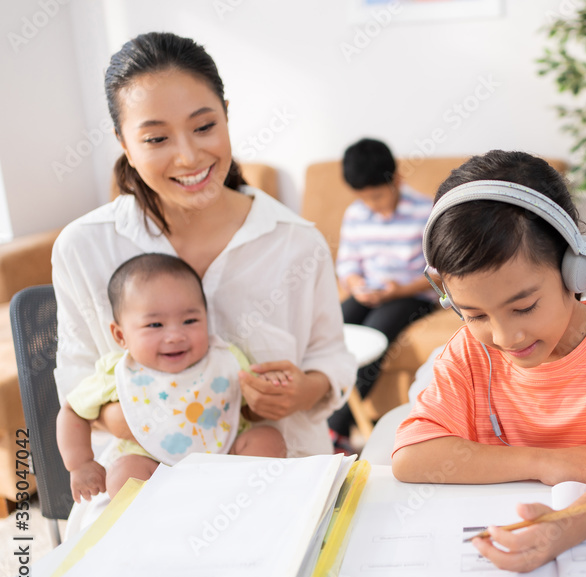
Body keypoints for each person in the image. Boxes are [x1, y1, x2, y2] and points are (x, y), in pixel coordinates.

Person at [53, 32, 355, 469]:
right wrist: (141, 419)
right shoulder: (84, 247)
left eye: (204, 126)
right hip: (142, 481)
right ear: (124, 144)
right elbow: (78, 376)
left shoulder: (296, 242)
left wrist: (302, 391)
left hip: (280, 472)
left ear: (227, 116)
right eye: (157, 139)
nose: (189, 156)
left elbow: (331, 356)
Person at [391, 150, 586, 572]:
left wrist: (562, 530)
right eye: (475, 315)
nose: (504, 337)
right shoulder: (470, 352)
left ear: (575, 269)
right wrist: (544, 461)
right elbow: (410, 457)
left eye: (525, 306)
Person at [57, 254, 287, 500]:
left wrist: (268, 389)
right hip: (155, 468)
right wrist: (80, 464)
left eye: (190, 320)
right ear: (120, 335)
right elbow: (72, 411)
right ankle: (160, 520)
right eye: (155, 325)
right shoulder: (117, 373)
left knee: (267, 438)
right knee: (124, 474)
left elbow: (248, 408)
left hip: (227, 461)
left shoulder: (224, 358)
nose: (175, 335)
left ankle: (248, 501)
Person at [328, 138, 435, 449]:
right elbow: (347, 264)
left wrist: (402, 289)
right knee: (336, 326)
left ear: (396, 179)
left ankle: (337, 430)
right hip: (371, 292)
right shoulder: (356, 214)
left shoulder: (424, 210)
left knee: (375, 335)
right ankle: (321, 417)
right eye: (365, 198)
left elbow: (439, 271)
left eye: (377, 195)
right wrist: (356, 285)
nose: (372, 204)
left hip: (413, 295)